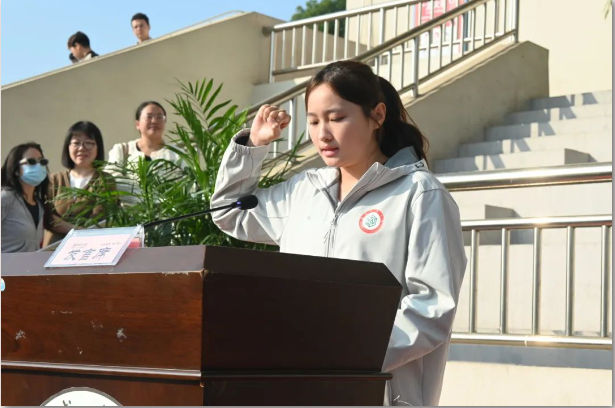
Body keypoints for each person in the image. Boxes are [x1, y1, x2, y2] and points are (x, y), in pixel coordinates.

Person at [211, 60, 467, 406]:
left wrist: (347, 356)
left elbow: (432, 305)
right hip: (299, 386)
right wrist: (253, 146)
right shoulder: (304, 191)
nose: (323, 134)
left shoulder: (420, 194)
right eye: (314, 121)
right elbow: (229, 211)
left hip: (378, 392)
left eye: (337, 118)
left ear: (377, 116)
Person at [44, 121, 117, 247]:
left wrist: (65, 227)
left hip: (90, 247)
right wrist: (77, 230)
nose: (81, 148)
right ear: (68, 147)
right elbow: (47, 217)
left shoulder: (105, 181)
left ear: (98, 147)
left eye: (88, 143)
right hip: (53, 249)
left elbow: (101, 220)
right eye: (76, 143)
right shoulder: (54, 180)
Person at [106, 101, 180, 203]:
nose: (154, 121)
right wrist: (142, 196)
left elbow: (186, 187)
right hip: (129, 211)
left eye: (159, 117)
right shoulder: (122, 150)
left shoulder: (177, 154)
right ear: (137, 124)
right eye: (149, 117)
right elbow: (112, 179)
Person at [1, 143, 50, 253]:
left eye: (42, 162)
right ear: (16, 170)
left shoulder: (39, 204)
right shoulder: (5, 198)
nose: (38, 166)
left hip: (30, 263)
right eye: (31, 162)